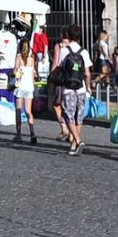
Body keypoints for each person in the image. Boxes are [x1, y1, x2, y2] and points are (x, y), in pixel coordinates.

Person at [49, 25, 89, 155]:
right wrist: (88, 87)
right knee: (79, 116)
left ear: (68, 35)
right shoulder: (84, 52)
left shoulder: (64, 51)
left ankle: (77, 140)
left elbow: (58, 68)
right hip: (81, 87)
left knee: (68, 115)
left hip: (68, 88)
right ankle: (74, 144)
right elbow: (87, 73)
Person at [11, 38, 38, 144]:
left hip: (20, 86)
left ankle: (19, 135)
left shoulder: (18, 57)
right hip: (29, 87)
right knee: (28, 111)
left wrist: (17, 71)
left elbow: (14, 71)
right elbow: (33, 74)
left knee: (18, 110)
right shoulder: (31, 59)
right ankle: (32, 133)